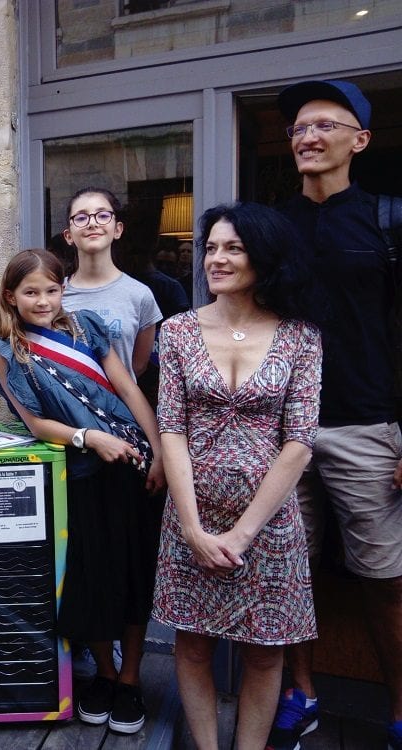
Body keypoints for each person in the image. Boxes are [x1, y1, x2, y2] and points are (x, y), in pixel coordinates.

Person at [153, 203, 321, 750]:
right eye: (211, 247)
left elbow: (299, 442)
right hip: (191, 515)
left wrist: (243, 532)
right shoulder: (177, 331)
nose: (216, 259)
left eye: (234, 248)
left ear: (265, 258)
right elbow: (171, 430)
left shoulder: (300, 337)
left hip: (268, 524)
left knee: (265, 649)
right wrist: (193, 528)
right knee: (193, 645)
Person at [269, 78, 402, 750]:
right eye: (298, 127)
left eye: (324, 124)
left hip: (367, 426)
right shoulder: (270, 227)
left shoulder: (387, 219)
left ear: (360, 140)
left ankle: (400, 709)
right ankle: (304, 692)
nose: (308, 136)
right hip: (280, 431)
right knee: (294, 571)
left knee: (385, 580)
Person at [0, 249, 166, 734]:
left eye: (51, 289)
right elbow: (36, 421)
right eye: (31, 292)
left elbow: (129, 389)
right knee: (90, 578)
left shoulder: (87, 326)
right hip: (78, 474)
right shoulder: (7, 350)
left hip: (131, 467)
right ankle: (104, 674)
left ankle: (130, 679)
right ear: (11, 296)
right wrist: (89, 438)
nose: (43, 300)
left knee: (132, 574)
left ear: (62, 289)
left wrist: (159, 451)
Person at [60, 187, 162, 382]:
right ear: (68, 236)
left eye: (102, 215)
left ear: (117, 229)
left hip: (119, 407)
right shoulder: (54, 295)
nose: (92, 223)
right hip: (65, 409)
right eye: (81, 218)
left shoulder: (140, 295)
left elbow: (138, 366)